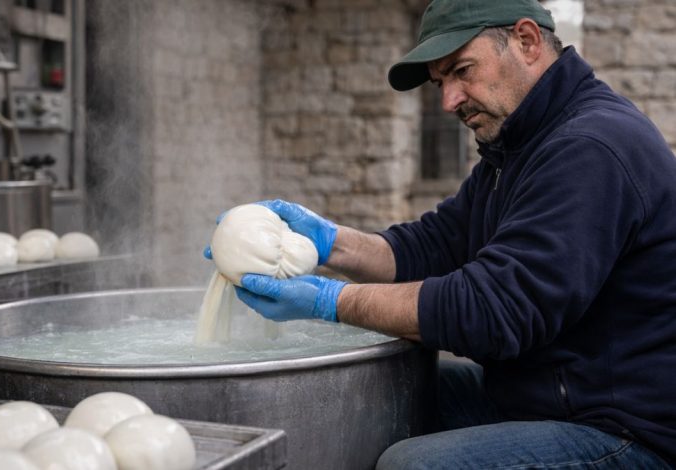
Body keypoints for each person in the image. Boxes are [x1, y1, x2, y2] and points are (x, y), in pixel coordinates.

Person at [208, 0, 676, 467]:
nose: (449, 100)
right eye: (440, 82)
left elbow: (496, 310)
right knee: (383, 388)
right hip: (542, 397)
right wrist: (328, 243)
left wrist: (331, 301)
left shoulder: (589, 147)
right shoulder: (518, 146)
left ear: (527, 41)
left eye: (462, 70)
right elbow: (435, 245)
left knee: (413, 465)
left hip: (623, 430)